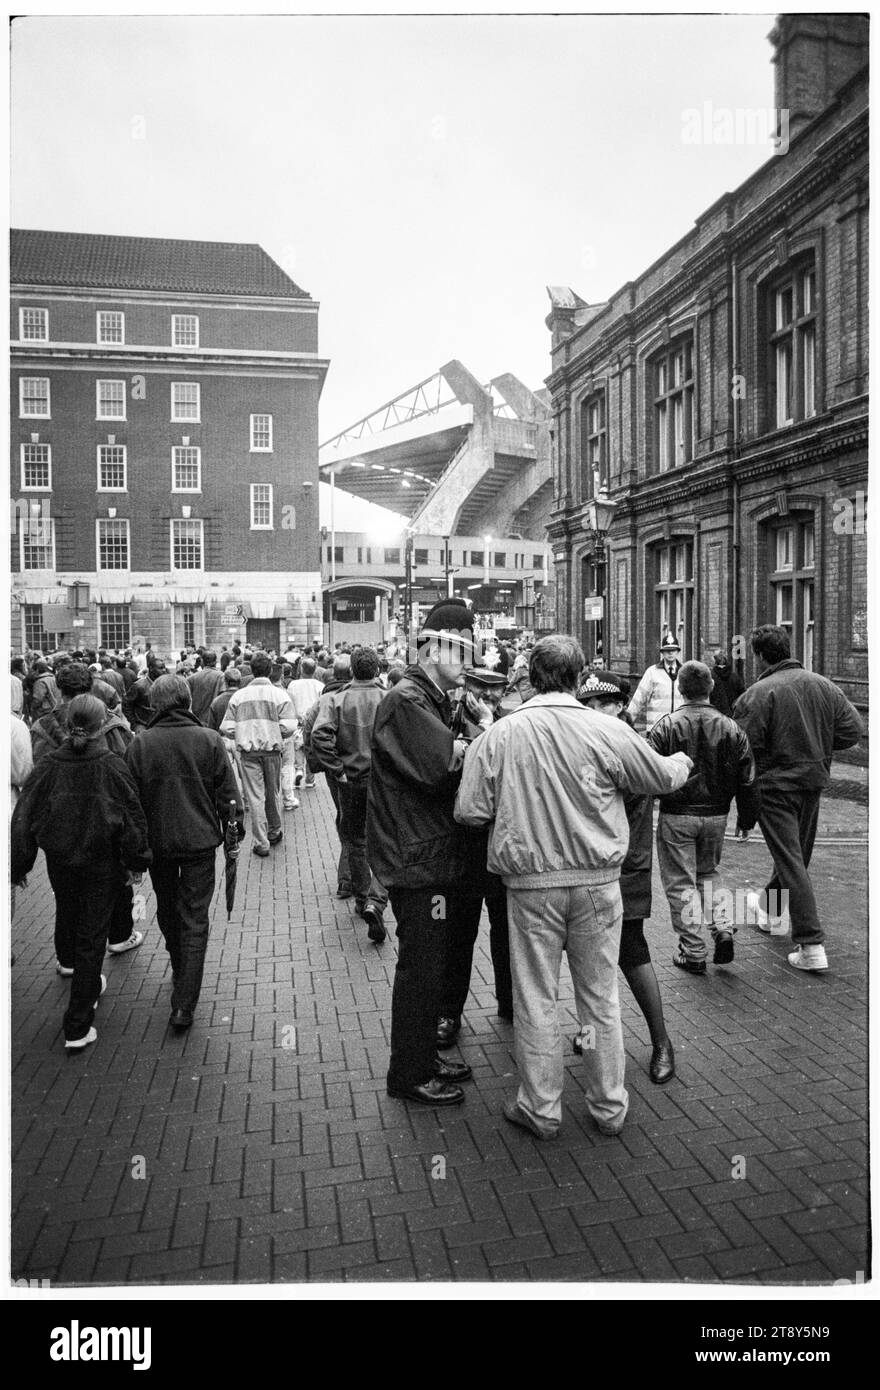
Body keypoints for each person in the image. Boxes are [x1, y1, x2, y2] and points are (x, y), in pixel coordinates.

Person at [455, 635, 692, 1141]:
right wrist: (685, 763)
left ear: (532, 675)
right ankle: (609, 1108)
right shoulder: (605, 729)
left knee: (536, 997)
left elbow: (469, 810)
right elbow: (661, 777)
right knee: (600, 998)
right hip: (598, 885)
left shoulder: (499, 735)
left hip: (529, 886)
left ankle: (541, 1109)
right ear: (580, 675)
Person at [367, 598, 489, 1107]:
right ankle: (410, 1072)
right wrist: (473, 742)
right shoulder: (408, 701)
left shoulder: (430, 698)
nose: (469, 662)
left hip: (428, 855)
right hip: (417, 860)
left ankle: (423, 1057)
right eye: (460, 652)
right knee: (421, 967)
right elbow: (443, 766)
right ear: (434, 648)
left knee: (432, 964)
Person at [12, 694, 152, 1049]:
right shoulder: (110, 765)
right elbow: (133, 816)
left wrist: (20, 864)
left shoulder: (48, 766)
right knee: (92, 936)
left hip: (60, 859)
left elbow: (24, 816)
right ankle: (77, 1023)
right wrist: (137, 862)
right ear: (100, 725)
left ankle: (78, 977)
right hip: (101, 861)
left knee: (70, 914)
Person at [733, 624, 863, 972]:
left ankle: (810, 943)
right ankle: (769, 911)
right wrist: (816, 745)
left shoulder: (757, 694)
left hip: (774, 788)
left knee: (791, 859)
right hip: (812, 782)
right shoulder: (823, 685)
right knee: (795, 856)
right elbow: (853, 729)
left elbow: (742, 750)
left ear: (760, 656)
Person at [575, 671, 675, 1083]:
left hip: (624, 867)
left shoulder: (632, 745)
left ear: (619, 705)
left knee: (632, 952)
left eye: (602, 704)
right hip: (591, 866)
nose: (594, 712)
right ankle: (592, 1035)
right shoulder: (589, 742)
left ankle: (662, 1042)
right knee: (586, 961)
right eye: (588, 705)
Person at [126, 675, 242, 1029]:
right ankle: (184, 1002)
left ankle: (180, 968)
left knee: (168, 907)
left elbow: (131, 803)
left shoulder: (141, 744)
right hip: (199, 842)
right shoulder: (208, 740)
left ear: (156, 704)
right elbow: (228, 794)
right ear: (187, 701)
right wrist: (233, 833)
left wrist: (134, 851)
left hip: (159, 843)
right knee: (195, 916)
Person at [647, 661, 758, 975]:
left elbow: (648, 771)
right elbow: (748, 777)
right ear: (710, 687)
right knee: (708, 873)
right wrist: (747, 819)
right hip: (717, 815)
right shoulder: (731, 727)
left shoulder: (666, 726)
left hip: (677, 815)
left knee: (680, 882)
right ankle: (722, 925)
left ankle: (693, 951)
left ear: (680, 689)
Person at [311, 646, 388, 942]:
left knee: (354, 841)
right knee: (383, 840)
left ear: (352, 670)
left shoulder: (335, 699)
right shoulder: (387, 698)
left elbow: (320, 734)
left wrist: (336, 768)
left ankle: (361, 898)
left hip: (350, 781)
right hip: (380, 781)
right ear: (377, 670)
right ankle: (375, 899)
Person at [221, 652, 296, 857]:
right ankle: (274, 830)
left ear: (252, 670)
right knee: (272, 792)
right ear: (270, 670)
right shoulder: (280, 695)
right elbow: (290, 726)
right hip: (272, 751)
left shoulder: (239, 696)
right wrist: (272, 732)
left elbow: (227, 728)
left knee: (255, 797)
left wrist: (244, 733)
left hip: (248, 752)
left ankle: (261, 842)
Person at [302, 655, 353, 895]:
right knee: (355, 821)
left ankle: (348, 878)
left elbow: (308, 729)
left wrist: (321, 763)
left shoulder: (322, 701)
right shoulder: (350, 697)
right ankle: (350, 879)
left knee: (345, 816)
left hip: (335, 771)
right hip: (357, 768)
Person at [31, 661, 93, 764]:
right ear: (90, 688)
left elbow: (38, 764)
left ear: (60, 688)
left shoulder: (40, 726)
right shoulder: (109, 721)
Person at [627, 635, 682, 732]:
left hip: (678, 730)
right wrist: (627, 722)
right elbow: (639, 698)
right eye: (667, 650)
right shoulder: (652, 672)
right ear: (662, 653)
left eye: (673, 650)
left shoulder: (684, 673)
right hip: (656, 729)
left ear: (677, 652)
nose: (670, 653)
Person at [188, 650, 225, 725]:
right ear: (215, 662)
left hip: (196, 721)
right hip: (214, 721)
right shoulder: (222, 677)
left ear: (202, 661)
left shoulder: (191, 678)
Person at [707, 649, 745, 717]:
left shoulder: (710, 677)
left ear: (715, 661)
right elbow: (743, 697)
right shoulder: (735, 677)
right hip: (732, 716)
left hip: (714, 716)